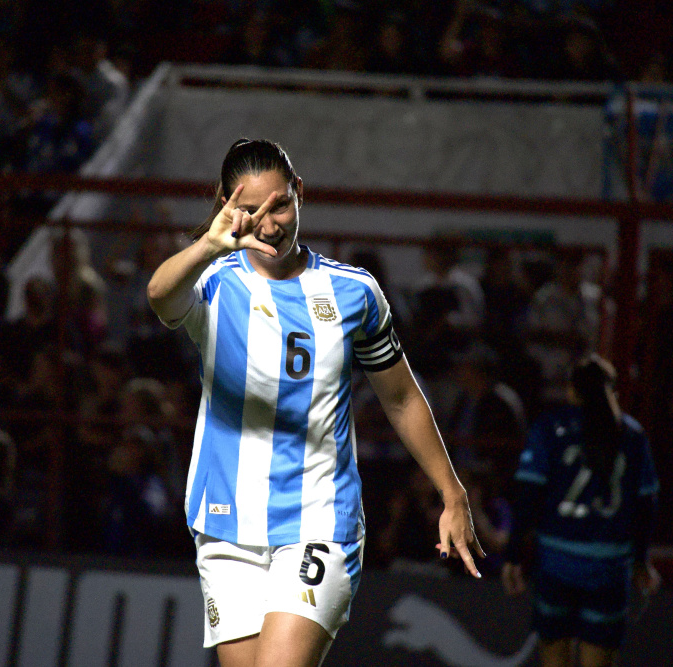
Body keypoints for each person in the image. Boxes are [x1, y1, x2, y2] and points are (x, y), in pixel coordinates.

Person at [147, 138, 484, 667]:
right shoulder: (211, 281)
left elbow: (400, 397)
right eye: (251, 210)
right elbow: (159, 296)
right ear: (225, 206)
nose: (269, 225)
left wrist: (452, 491)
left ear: (299, 192)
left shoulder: (354, 293)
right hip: (226, 523)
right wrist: (209, 245)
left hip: (318, 520)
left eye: (280, 205)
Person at [501, 354, 660, 667]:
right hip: (608, 567)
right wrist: (641, 560)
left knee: (554, 657)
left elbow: (529, 495)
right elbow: (646, 504)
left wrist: (514, 555)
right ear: (612, 391)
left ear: (572, 390)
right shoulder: (632, 435)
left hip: (556, 563)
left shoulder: (549, 427)